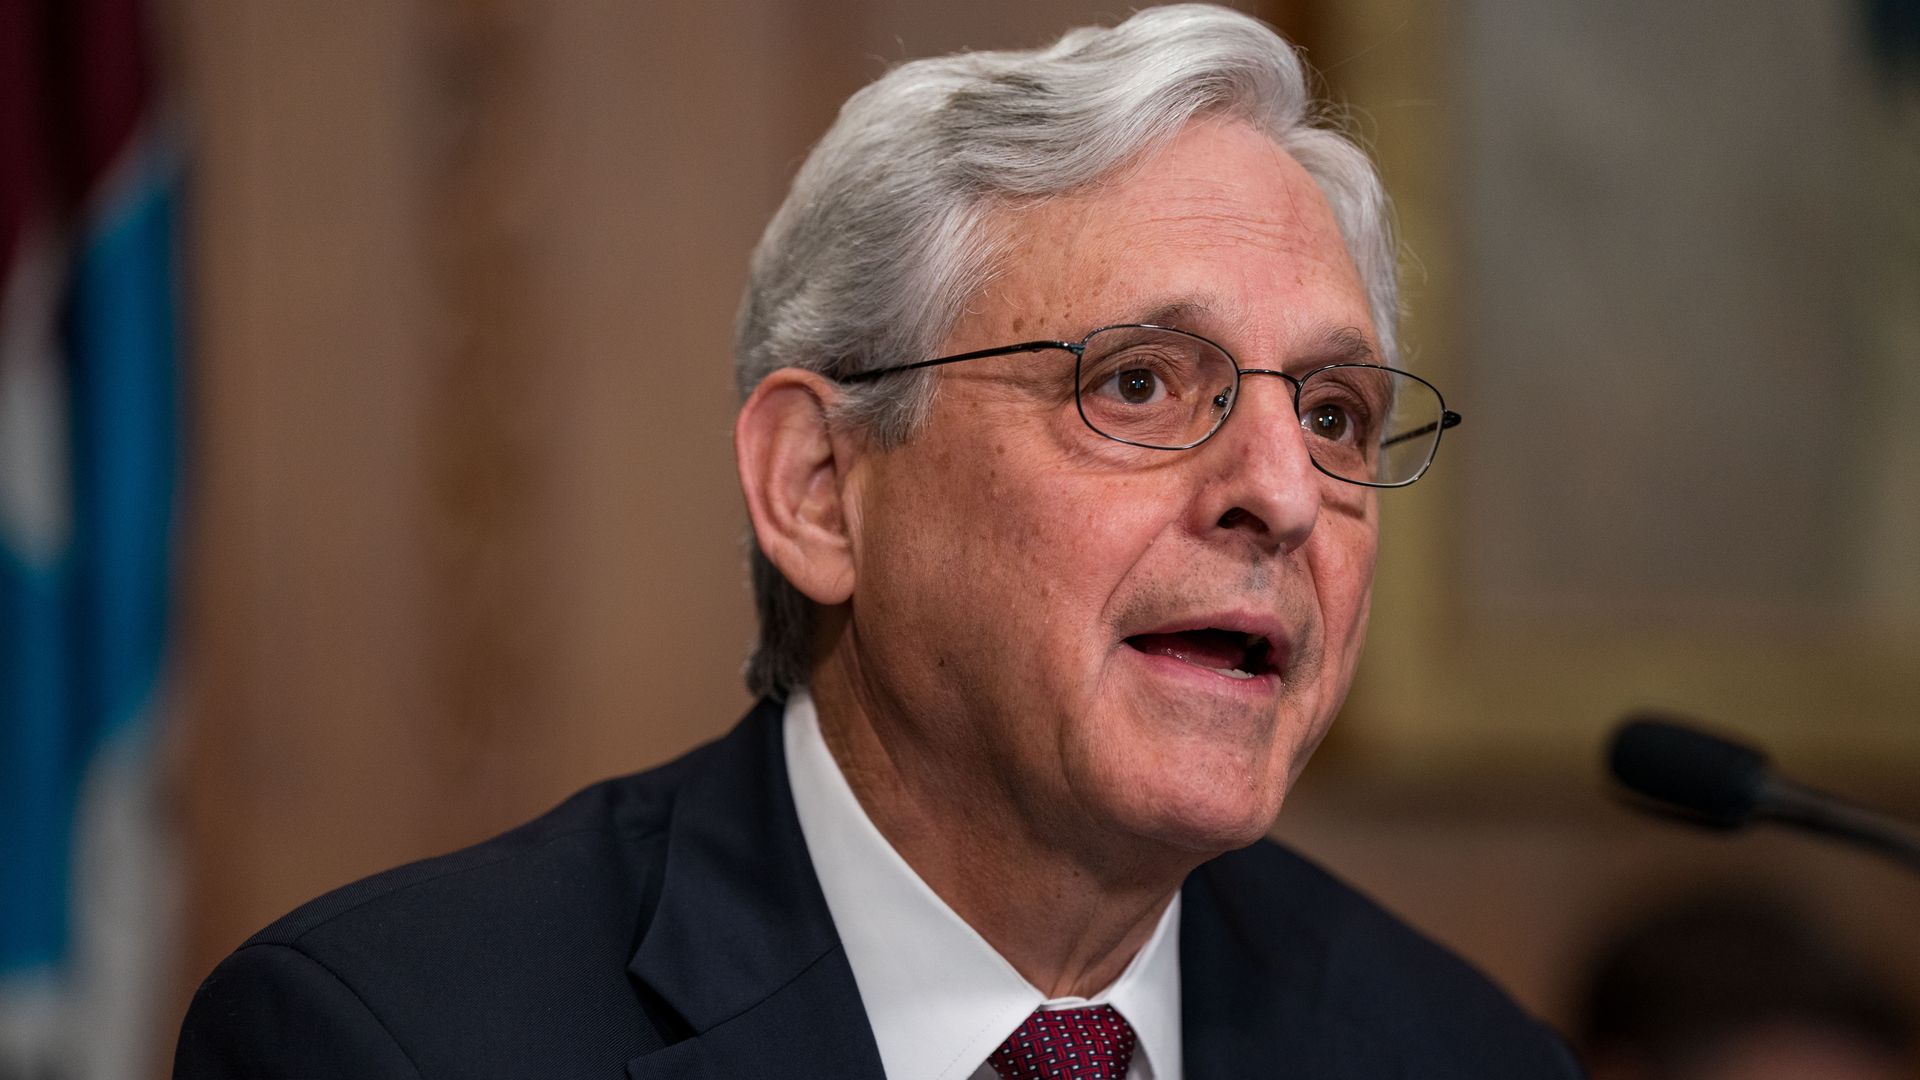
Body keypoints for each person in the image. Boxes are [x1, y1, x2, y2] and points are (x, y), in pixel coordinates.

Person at [174, 6, 1579, 1077]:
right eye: (1139, 382)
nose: (1279, 487)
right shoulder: (392, 1040)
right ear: (820, 488)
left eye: (1334, 413)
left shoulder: (1460, 1052)